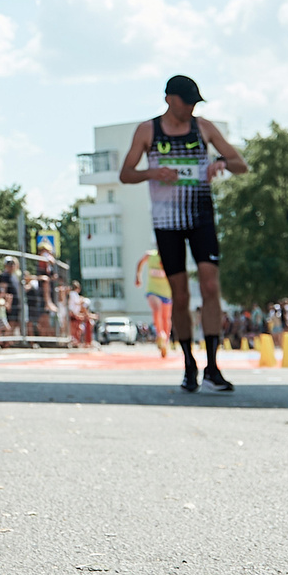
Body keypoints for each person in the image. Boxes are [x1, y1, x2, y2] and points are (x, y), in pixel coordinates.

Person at [120, 75, 249, 395]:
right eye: (186, 101)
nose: (191, 107)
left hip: (201, 217)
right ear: (169, 99)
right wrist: (153, 172)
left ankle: (213, 367)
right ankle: (189, 365)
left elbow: (240, 164)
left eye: (195, 102)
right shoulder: (147, 130)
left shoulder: (203, 127)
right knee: (179, 294)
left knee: (209, 286)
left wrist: (220, 162)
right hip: (167, 224)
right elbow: (126, 174)